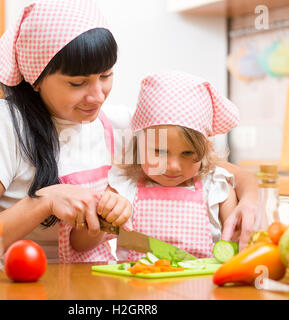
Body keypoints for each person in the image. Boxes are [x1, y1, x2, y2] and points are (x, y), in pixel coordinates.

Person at [0, 0, 257, 264]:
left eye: (105, 76)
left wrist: (252, 200)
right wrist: (41, 203)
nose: (97, 95)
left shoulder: (120, 125)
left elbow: (216, 170)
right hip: (15, 286)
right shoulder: (3, 126)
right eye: (77, 83)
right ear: (36, 77)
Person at [63, 71, 242, 261]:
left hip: (201, 288)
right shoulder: (122, 189)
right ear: (138, 145)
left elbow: (237, 249)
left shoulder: (218, 190)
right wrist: (104, 218)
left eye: (188, 153)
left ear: (206, 149)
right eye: (160, 152)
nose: (173, 166)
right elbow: (79, 244)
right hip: (137, 289)